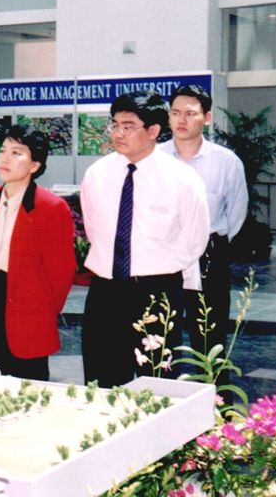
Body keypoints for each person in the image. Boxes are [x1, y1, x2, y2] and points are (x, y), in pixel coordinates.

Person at [80, 91, 210, 388]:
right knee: (102, 382)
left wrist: (157, 270)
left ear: (153, 131)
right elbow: (94, 231)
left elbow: (194, 240)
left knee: (159, 383)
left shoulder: (182, 179)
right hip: (106, 291)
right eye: (114, 125)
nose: (118, 133)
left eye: (128, 126)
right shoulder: (97, 174)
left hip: (156, 292)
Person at [0, 125, 76, 380]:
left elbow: (62, 272)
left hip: (27, 308)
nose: (5, 158)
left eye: (16, 153)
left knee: (26, 387)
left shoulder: (51, 207)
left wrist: (40, 312)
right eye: (3, 151)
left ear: (34, 165)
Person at [159, 85, 248, 367]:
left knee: (209, 335)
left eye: (190, 113)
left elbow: (236, 212)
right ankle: (164, 400)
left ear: (206, 117)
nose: (181, 120)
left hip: (210, 253)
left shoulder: (225, 162)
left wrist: (211, 242)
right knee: (162, 333)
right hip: (163, 253)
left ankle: (215, 404)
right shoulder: (155, 159)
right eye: (175, 113)